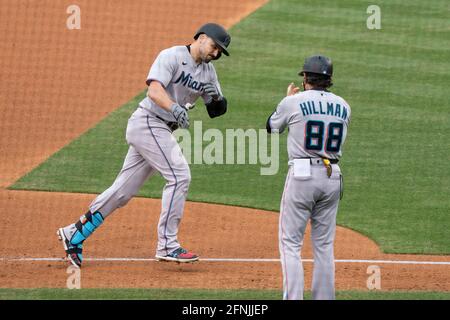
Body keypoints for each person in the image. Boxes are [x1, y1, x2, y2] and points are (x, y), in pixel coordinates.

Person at [57, 23, 231, 267]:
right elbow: (154, 90)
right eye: (214, 47)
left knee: (122, 192)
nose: (216, 54)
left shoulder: (209, 73)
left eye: (220, 52)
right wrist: (173, 107)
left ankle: (74, 233)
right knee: (180, 176)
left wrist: (217, 98)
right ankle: (168, 245)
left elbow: (217, 112)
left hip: (160, 130)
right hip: (148, 122)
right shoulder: (171, 56)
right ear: (202, 38)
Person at [266, 55, 351, 300]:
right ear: (329, 80)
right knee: (324, 245)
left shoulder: (293, 102)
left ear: (305, 78)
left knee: (290, 243)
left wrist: (287, 100)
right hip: (333, 175)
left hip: (303, 175)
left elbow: (271, 128)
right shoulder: (344, 105)